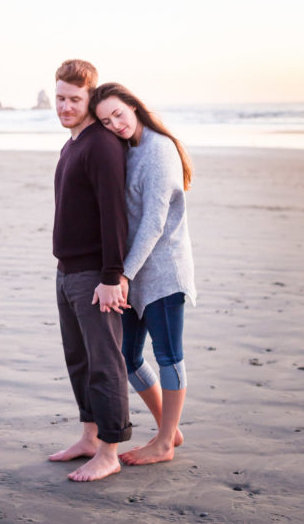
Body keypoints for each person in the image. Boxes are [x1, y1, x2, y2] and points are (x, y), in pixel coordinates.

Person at [89, 82, 197, 466]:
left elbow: (153, 223)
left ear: (133, 106)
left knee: (168, 355)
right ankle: (169, 428)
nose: (115, 124)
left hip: (163, 271)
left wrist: (122, 275)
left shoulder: (158, 150)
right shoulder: (128, 150)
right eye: (105, 120)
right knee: (127, 356)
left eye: (118, 113)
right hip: (134, 276)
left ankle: (165, 442)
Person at [50, 60, 132, 482]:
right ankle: (88, 436)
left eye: (74, 99)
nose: (65, 106)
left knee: (105, 362)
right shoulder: (72, 144)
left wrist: (110, 277)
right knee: (78, 360)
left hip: (94, 275)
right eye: (60, 97)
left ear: (90, 98)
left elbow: (113, 213)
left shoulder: (100, 144)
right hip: (67, 272)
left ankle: (110, 450)